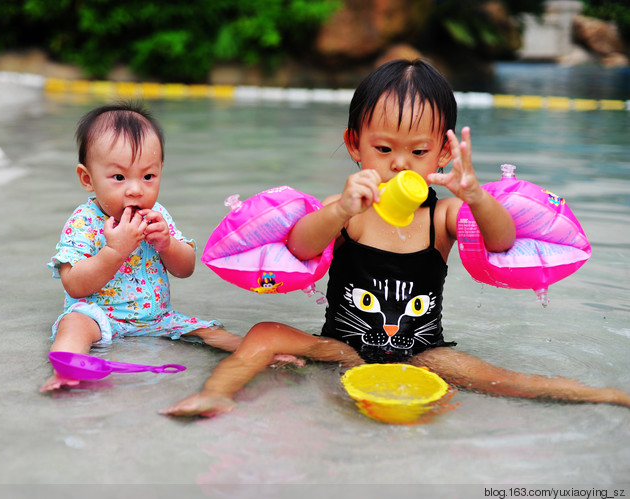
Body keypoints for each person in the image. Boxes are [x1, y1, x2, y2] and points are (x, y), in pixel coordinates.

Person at [161, 59, 630, 417]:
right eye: (383, 149)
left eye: (418, 151)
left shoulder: (445, 215)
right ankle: (215, 396)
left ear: (443, 152)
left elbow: (503, 243)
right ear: (354, 144)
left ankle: (605, 395)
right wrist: (341, 209)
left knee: (508, 380)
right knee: (264, 334)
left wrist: (477, 197)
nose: (400, 164)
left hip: (426, 356)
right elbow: (301, 248)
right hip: (342, 349)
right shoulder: (349, 209)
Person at [41, 101, 262, 392]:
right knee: (74, 325)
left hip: (157, 318)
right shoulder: (84, 222)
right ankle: (68, 368)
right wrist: (114, 252)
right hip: (98, 315)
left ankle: (260, 355)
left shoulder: (158, 215)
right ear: (88, 179)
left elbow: (185, 269)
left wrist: (168, 244)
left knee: (209, 331)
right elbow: (74, 285)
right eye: (119, 177)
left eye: (148, 176)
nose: (136, 189)